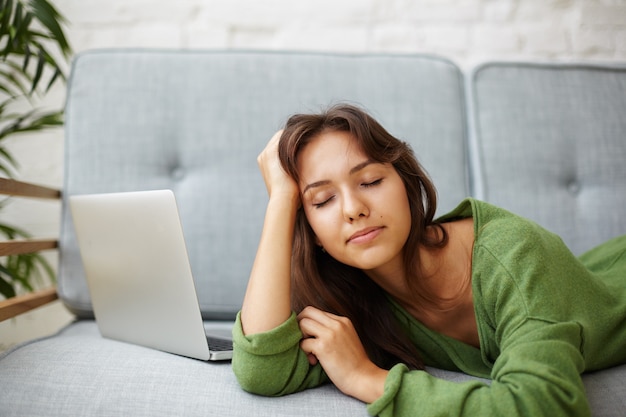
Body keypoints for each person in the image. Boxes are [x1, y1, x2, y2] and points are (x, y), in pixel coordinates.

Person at [231, 103, 626, 416]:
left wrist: (368, 378)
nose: (353, 209)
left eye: (369, 181)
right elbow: (261, 370)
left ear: (405, 183)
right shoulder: (357, 295)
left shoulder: (513, 254)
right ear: (311, 232)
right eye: (322, 200)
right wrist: (281, 201)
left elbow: (544, 407)